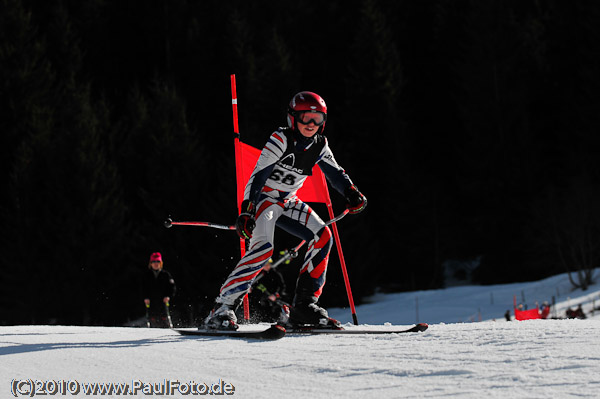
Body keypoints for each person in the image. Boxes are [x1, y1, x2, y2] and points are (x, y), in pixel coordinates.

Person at [204, 91, 367, 330]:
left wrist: (351, 192)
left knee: (323, 236)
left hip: (288, 201)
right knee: (263, 248)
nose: (311, 124)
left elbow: (335, 173)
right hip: (264, 200)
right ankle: (222, 308)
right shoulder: (281, 139)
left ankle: (304, 306)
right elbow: (258, 175)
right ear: (293, 118)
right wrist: (247, 210)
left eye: (317, 119)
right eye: (305, 118)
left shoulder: (320, 144)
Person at [248, 259, 289, 323]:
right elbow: (256, 284)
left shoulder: (275, 274)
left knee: (273, 308)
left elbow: (282, 286)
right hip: (262, 297)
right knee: (257, 303)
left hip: (273, 297)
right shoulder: (260, 274)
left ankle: (274, 320)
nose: (266, 266)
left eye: (267, 265)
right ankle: (257, 319)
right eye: (264, 265)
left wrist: (276, 295)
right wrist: (251, 288)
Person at [142, 252, 176, 328]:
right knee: (152, 318)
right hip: (151, 301)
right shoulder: (147, 275)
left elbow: (172, 287)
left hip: (163, 301)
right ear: (150, 263)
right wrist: (145, 297)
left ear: (161, 263)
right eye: (153, 262)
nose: (156, 263)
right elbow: (143, 288)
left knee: (164, 318)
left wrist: (168, 296)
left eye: (158, 261)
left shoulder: (166, 274)